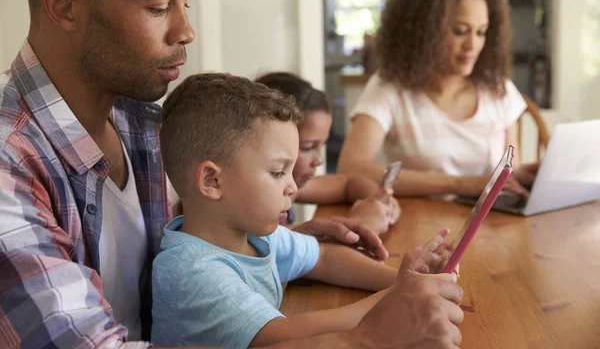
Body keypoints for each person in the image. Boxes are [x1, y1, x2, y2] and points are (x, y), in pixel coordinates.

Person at [0, 0, 463, 348]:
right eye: (160, 7)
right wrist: (367, 337)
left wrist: (280, 235)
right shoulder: (9, 164)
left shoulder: (137, 117)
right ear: (63, 5)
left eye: (186, 3)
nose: (187, 31)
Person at [152, 73, 454, 348]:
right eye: (277, 172)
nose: (293, 188)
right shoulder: (194, 273)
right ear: (212, 180)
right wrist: (399, 297)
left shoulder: (252, 236)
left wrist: (401, 280)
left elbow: (324, 257)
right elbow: (285, 336)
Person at [338, 0, 540, 199]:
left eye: (481, 32)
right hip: (421, 225)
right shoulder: (389, 88)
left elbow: (509, 169)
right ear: (424, 32)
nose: (472, 45)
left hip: (493, 224)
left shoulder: (498, 89)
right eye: (460, 31)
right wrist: (458, 184)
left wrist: (524, 175)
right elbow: (351, 167)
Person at [257, 72, 400, 235]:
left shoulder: (291, 188)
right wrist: (357, 224)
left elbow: (349, 184)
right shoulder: (260, 202)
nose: (319, 161)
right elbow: (286, 242)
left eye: (322, 145)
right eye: (308, 147)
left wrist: (378, 200)